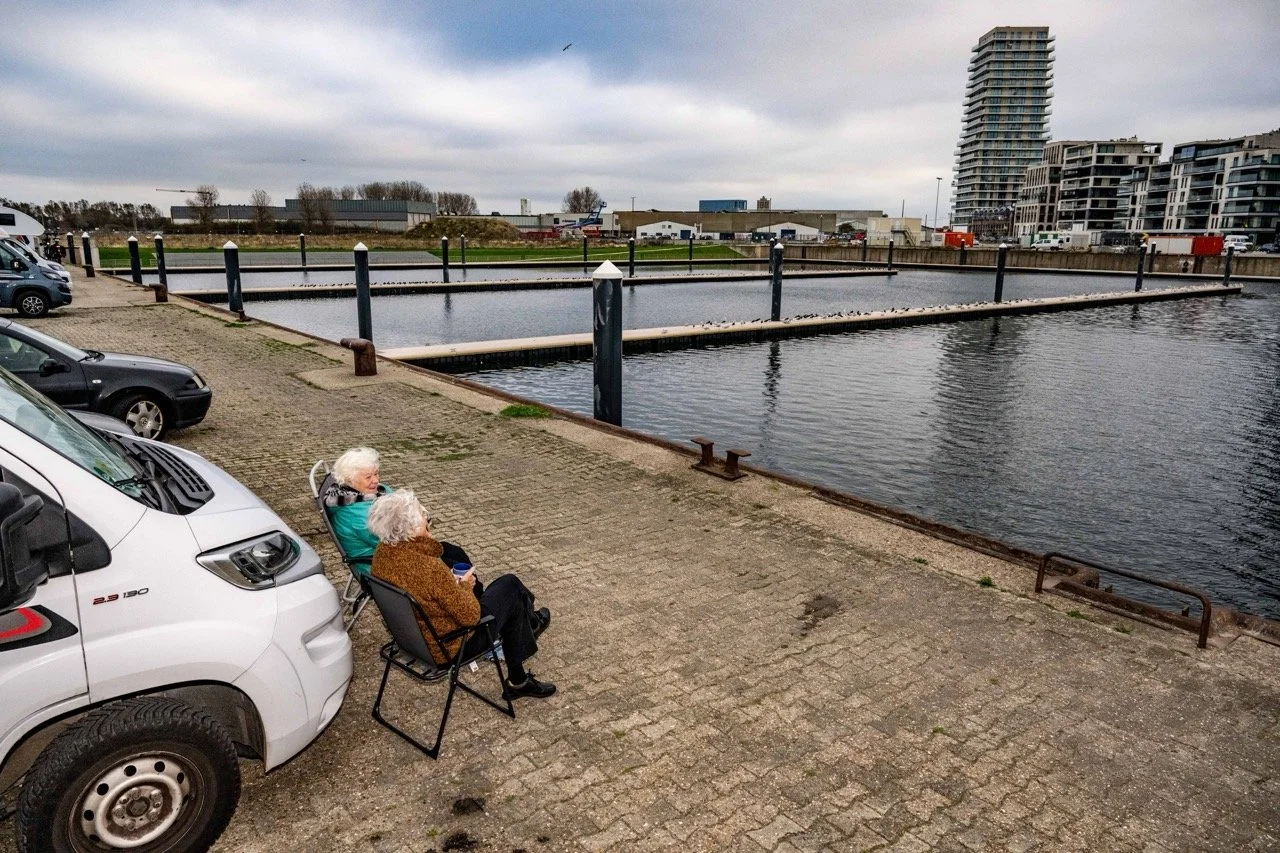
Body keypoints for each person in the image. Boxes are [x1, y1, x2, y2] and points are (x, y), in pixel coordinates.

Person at [367, 490, 555, 699]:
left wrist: (451, 586)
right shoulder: (429, 568)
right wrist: (464, 585)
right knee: (510, 587)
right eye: (423, 514)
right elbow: (471, 616)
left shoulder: (382, 553)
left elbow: (424, 592)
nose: (427, 516)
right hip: (451, 645)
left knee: (511, 599)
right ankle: (529, 633)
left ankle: (528, 636)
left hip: (412, 640)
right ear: (411, 529)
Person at [323, 446, 470, 569]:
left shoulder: (370, 492)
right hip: (384, 567)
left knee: (453, 553)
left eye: (376, 473)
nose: (376, 480)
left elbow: (405, 506)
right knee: (450, 564)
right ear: (350, 480)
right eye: (368, 477)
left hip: (397, 553)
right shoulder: (355, 516)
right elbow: (400, 544)